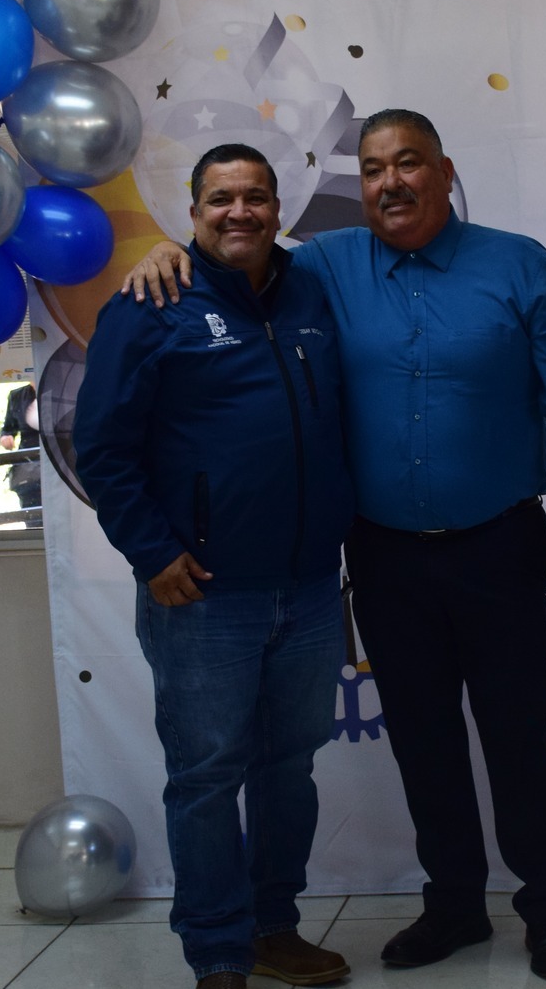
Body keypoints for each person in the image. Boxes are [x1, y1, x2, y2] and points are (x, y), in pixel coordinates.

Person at [126, 110, 546, 982]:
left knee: (515, 736)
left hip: (498, 547)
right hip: (385, 558)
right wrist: (166, 253)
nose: (390, 182)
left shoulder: (520, 265)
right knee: (423, 742)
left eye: (408, 163)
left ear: (444, 172)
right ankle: (454, 906)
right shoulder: (323, 265)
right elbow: (238, 250)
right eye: (372, 168)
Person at [77, 144, 357, 989]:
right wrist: (152, 552)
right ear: (192, 212)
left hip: (309, 586)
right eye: (221, 199)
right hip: (201, 594)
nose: (240, 212)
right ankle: (217, 952)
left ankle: (273, 928)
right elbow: (102, 447)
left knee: (288, 770)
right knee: (205, 777)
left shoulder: (314, 290)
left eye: (256, 197)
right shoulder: (150, 301)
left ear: (279, 208)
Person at [0, 380, 42, 525]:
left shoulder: (64, 390)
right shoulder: (17, 395)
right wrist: (6, 437)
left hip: (61, 465)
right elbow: (8, 428)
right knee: (33, 519)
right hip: (29, 470)